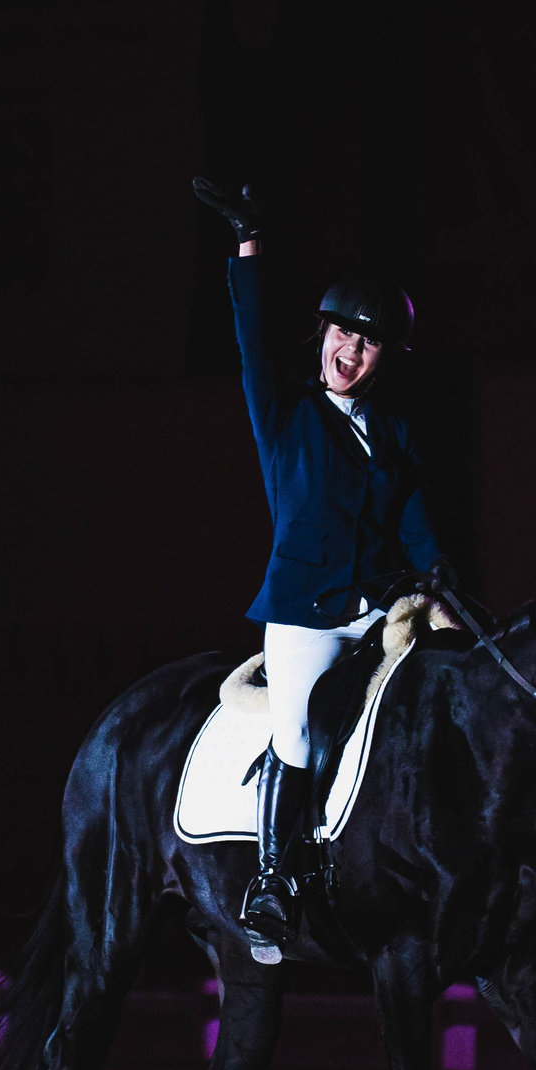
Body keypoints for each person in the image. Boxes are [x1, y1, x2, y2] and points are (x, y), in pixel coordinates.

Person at [193, 176, 444, 956]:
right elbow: (252, 335)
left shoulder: (394, 432)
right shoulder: (287, 412)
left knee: (437, 708)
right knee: (298, 734)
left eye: (366, 343)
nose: (350, 351)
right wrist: (249, 245)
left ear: (382, 357)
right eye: (342, 334)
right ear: (324, 333)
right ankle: (271, 879)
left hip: (379, 607)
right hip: (304, 613)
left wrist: (446, 587)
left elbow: (416, 524)